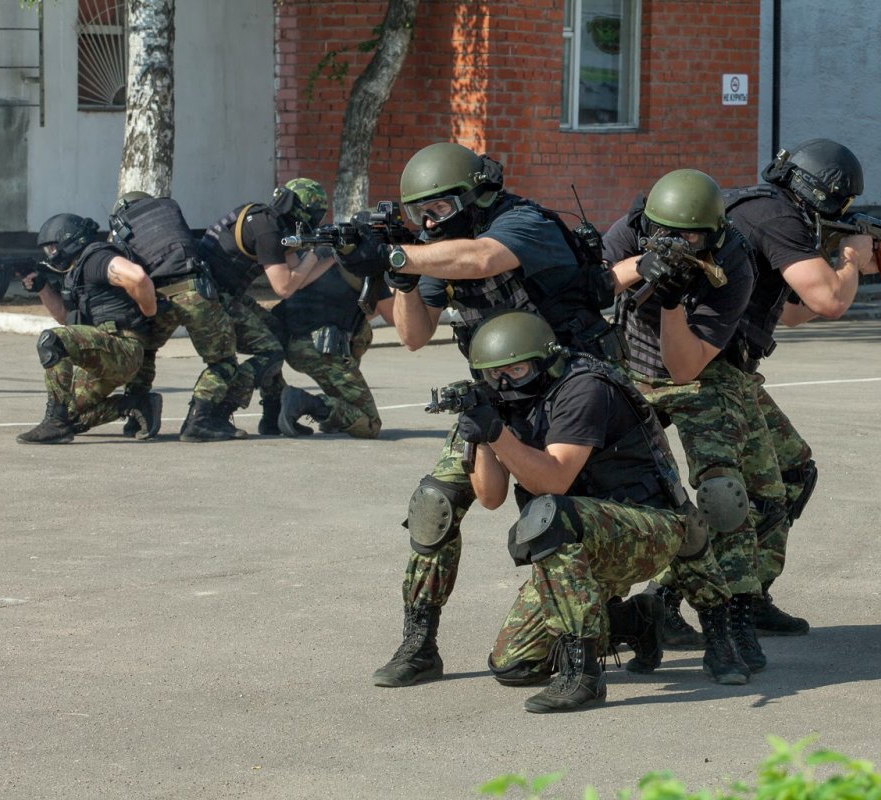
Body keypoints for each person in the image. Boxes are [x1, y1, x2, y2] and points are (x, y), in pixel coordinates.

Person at [333, 143, 631, 689]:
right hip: (497, 397)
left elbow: (483, 260)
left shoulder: (522, 222)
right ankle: (419, 642)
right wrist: (397, 278)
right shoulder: (434, 249)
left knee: (621, 510)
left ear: (474, 196)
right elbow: (413, 335)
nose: (427, 224)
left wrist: (398, 255)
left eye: (439, 211)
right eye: (418, 216)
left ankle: (674, 608)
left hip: (573, 390)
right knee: (434, 503)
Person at [459, 311, 748, 712]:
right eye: (494, 375)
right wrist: (482, 434)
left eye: (518, 370)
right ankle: (636, 621)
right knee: (515, 664)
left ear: (546, 361)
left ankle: (583, 674)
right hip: (581, 546)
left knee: (547, 514)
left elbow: (554, 480)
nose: (506, 383)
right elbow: (490, 496)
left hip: (651, 530)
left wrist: (496, 433)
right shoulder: (505, 403)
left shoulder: (583, 388)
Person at [602, 168, 786, 674]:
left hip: (702, 372)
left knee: (726, 496)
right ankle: (614, 613)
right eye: (668, 233)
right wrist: (642, 266)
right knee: (602, 488)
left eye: (692, 236)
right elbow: (589, 288)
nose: (681, 242)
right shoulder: (629, 231)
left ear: (715, 232)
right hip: (624, 366)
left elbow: (685, 367)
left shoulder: (733, 262)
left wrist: (669, 303)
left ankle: (734, 618)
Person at [718, 138, 881, 635]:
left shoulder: (756, 208)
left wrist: (850, 269)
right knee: (763, 487)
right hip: (715, 372)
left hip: (722, 364)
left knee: (784, 474)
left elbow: (790, 313)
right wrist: (851, 260)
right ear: (825, 193)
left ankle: (744, 594)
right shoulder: (780, 219)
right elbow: (828, 302)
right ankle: (704, 600)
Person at [197, 178, 337, 435]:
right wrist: (316, 252)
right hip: (212, 300)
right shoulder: (267, 228)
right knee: (270, 351)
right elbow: (283, 287)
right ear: (301, 210)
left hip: (222, 294)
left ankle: (273, 413)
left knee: (277, 330)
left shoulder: (270, 222)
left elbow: (298, 277)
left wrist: (333, 255)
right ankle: (213, 413)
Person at [108, 192, 243, 442]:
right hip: (194, 290)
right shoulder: (168, 208)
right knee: (223, 361)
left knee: (146, 350)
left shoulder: (121, 225)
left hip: (158, 297)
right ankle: (200, 421)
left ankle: (138, 415)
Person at [16, 213, 160, 444]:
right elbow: (65, 319)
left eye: (53, 248)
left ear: (70, 240)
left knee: (51, 340)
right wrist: (42, 287)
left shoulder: (97, 257)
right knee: (72, 414)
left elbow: (138, 276)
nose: (50, 255)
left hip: (122, 346)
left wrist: (149, 310)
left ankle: (55, 424)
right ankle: (133, 405)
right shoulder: (77, 271)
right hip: (104, 351)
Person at [272, 261, 395, 439]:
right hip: (321, 350)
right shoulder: (366, 263)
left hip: (291, 341)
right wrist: (405, 289)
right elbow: (393, 316)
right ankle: (309, 403)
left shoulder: (320, 254)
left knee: (362, 331)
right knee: (370, 424)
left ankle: (334, 414)